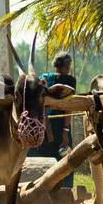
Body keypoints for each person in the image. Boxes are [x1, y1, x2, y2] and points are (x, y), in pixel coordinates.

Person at [28, 52, 78, 189]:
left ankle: (40, 188)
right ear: (67, 66)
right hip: (59, 126)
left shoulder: (43, 78)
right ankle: (64, 190)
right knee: (65, 160)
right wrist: (65, 131)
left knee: (43, 158)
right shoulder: (69, 80)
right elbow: (68, 106)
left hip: (42, 127)